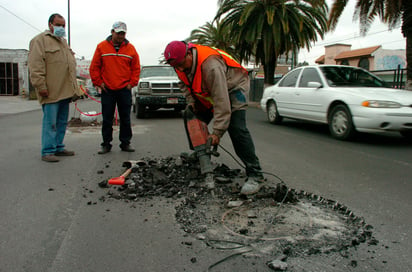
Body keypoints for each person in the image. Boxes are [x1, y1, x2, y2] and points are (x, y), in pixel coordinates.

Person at [163, 41, 265, 195]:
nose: (180, 68)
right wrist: (192, 102)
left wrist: (217, 132)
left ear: (188, 54)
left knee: (236, 128)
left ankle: (255, 174)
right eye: (177, 66)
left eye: (182, 64)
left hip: (233, 87)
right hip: (207, 90)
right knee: (190, 115)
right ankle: (200, 153)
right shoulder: (179, 64)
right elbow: (184, 84)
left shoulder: (211, 66)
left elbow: (221, 100)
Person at [28, 13, 78, 163]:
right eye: (59, 25)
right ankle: (48, 151)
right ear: (50, 24)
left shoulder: (63, 42)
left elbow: (69, 67)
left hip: (65, 90)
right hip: (50, 91)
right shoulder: (39, 41)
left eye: (63, 26)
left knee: (62, 121)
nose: (62, 28)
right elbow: (35, 66)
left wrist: (75, 88)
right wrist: (41, 86)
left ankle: (58, 147)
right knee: (51, 122)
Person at [89, 21, 140, 154]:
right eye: (118, 33)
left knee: (125, 118)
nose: (120, 36)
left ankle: (125, 143)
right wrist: (99, 82)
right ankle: (106, 144)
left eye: (123, 33)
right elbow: (94, 67)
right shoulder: (101, 47)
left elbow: (136, 68)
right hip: (108, 90)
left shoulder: (131, 49)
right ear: (112, 32)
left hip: (124, 89)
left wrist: (131, 83)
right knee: (107, 118)